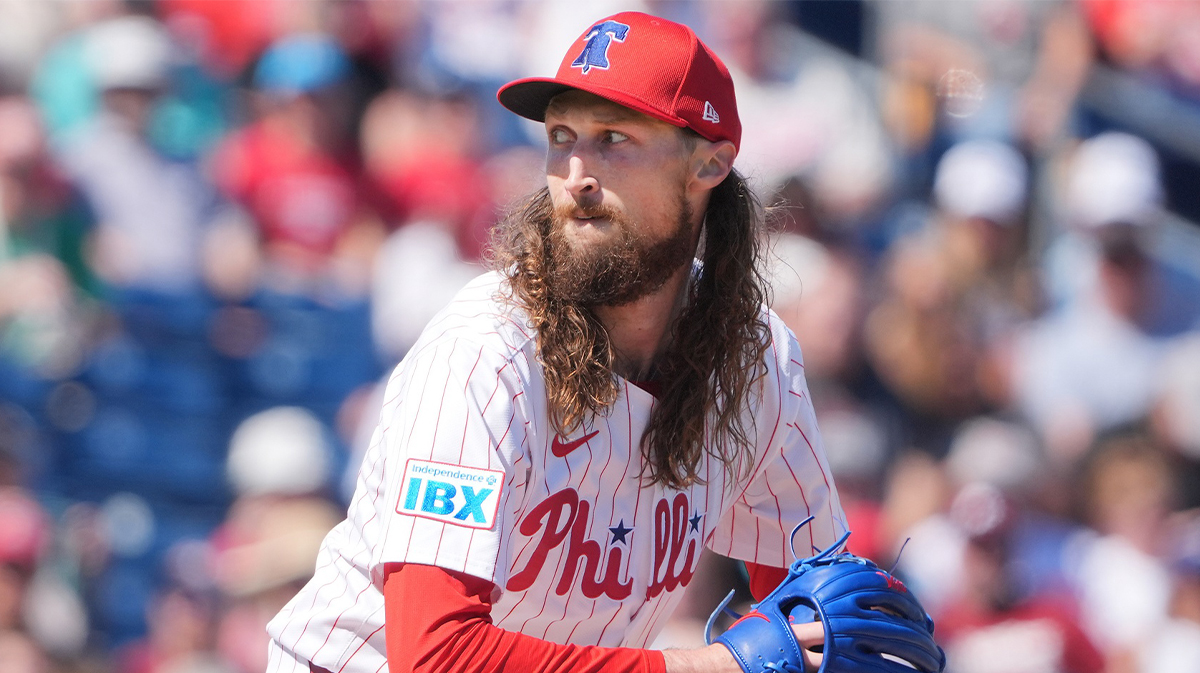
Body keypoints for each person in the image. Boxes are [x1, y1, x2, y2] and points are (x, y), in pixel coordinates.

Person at [265, 13, 849, 673]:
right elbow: (433, 655)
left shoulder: (758, 359)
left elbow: (815, 593)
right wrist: (715, 664)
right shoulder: (486, 348)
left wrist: (833, 640)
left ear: (708, 163)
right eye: (562, 136)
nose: (576, 173)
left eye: (613, 139)